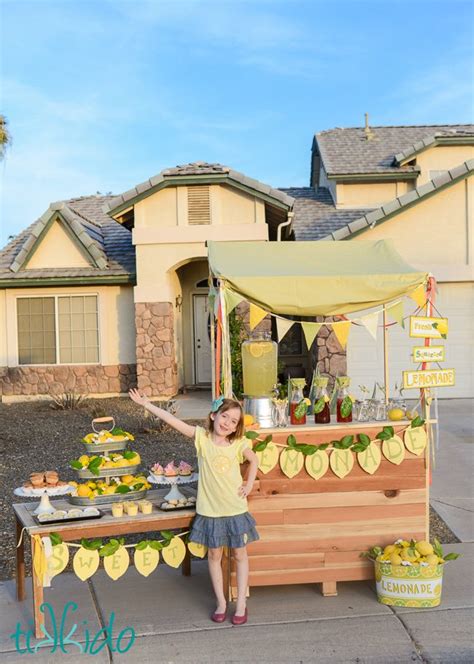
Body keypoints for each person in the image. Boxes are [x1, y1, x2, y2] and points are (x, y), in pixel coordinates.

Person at [128, 389, 259, 626]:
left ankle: (241, 604)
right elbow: (173, 421)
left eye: (233, 421)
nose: (228, 423)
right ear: (213, 416)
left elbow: (254, 459)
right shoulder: (201, 438)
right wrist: (147, 404)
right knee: (214, 554)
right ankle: (221, 602)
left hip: (235, 509)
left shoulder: (238, 443)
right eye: (224, 417)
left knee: (240, 554)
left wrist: (248, 484)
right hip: (210, 510)